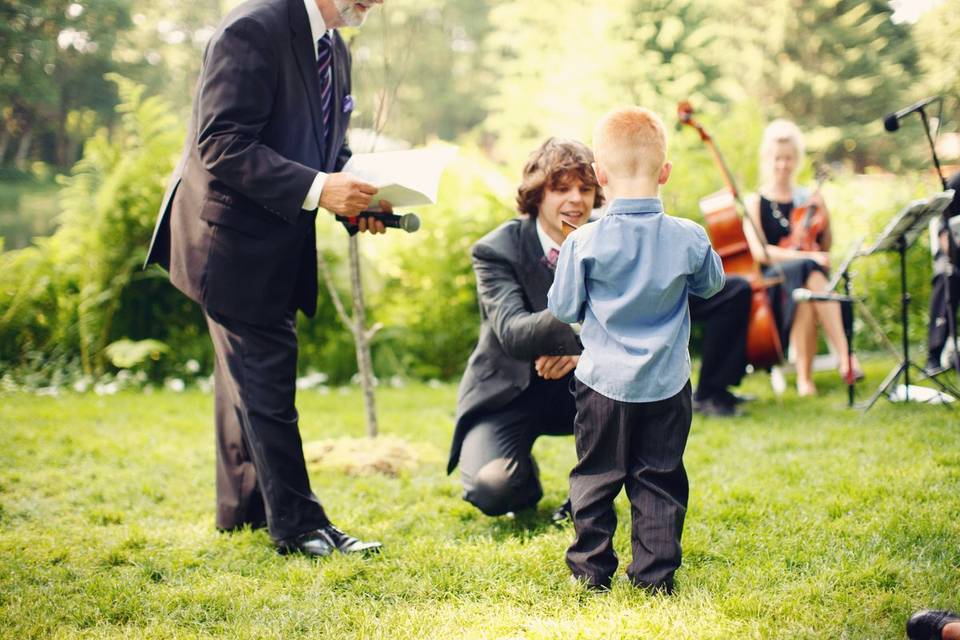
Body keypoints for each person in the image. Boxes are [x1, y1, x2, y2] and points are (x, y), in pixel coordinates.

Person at [144, 0, 388, 558]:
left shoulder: (335, 49)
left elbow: (329, 151)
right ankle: (301, 527)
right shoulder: (253, 27)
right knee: (266, 380)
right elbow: (221, 142)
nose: (376, 2)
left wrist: (360, 198)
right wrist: (318, 189)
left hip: (275, 241)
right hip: (227, 242)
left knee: (244, 382)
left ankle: (242, 510)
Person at [548, 106, 724, 593]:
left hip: (602, 383)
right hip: (668, 384)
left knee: (596, 476)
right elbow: (713, 285)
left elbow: (563, 308)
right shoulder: (689, 236)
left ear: (599, 175)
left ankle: (590, 573)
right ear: (665, 171)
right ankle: (655, 578)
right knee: (661, 478)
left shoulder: (583, 242)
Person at [448, 138, 603, 521]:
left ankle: (588, 495)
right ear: (537, 194)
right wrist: (581, 330)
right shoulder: (495, 250)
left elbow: (635, 320)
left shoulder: (609, 239)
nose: (576, 200)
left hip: (584, 387)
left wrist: (580, 350)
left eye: (585, 189)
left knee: (628, 391)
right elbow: (514, 333)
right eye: (562, 188)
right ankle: (524, 480)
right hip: (508, 391)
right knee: (492, 490)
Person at [743, 119, 861, 396]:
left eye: (789, 158)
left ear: (797, 160)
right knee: (808, 270)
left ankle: (807, 380)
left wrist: (826, 217)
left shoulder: (807, 198)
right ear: (767, 159)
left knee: (806, 292)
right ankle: (846, 356)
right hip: (773, 280)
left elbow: (826, 244)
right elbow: (761, 253)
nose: (783, 165)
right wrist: (809, 256)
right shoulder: (755, 201)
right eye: (777, 159)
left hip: (805, 282)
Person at [689, 276, 752, 417]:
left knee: (738, 288)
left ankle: (717, 391)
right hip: (655, 290)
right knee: (737, 290)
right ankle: (707, 394)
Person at [924, 171, 960, 376]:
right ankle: (934, 355)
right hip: (954, 258)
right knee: (946, 276)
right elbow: (943, 232)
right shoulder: (956, 183)